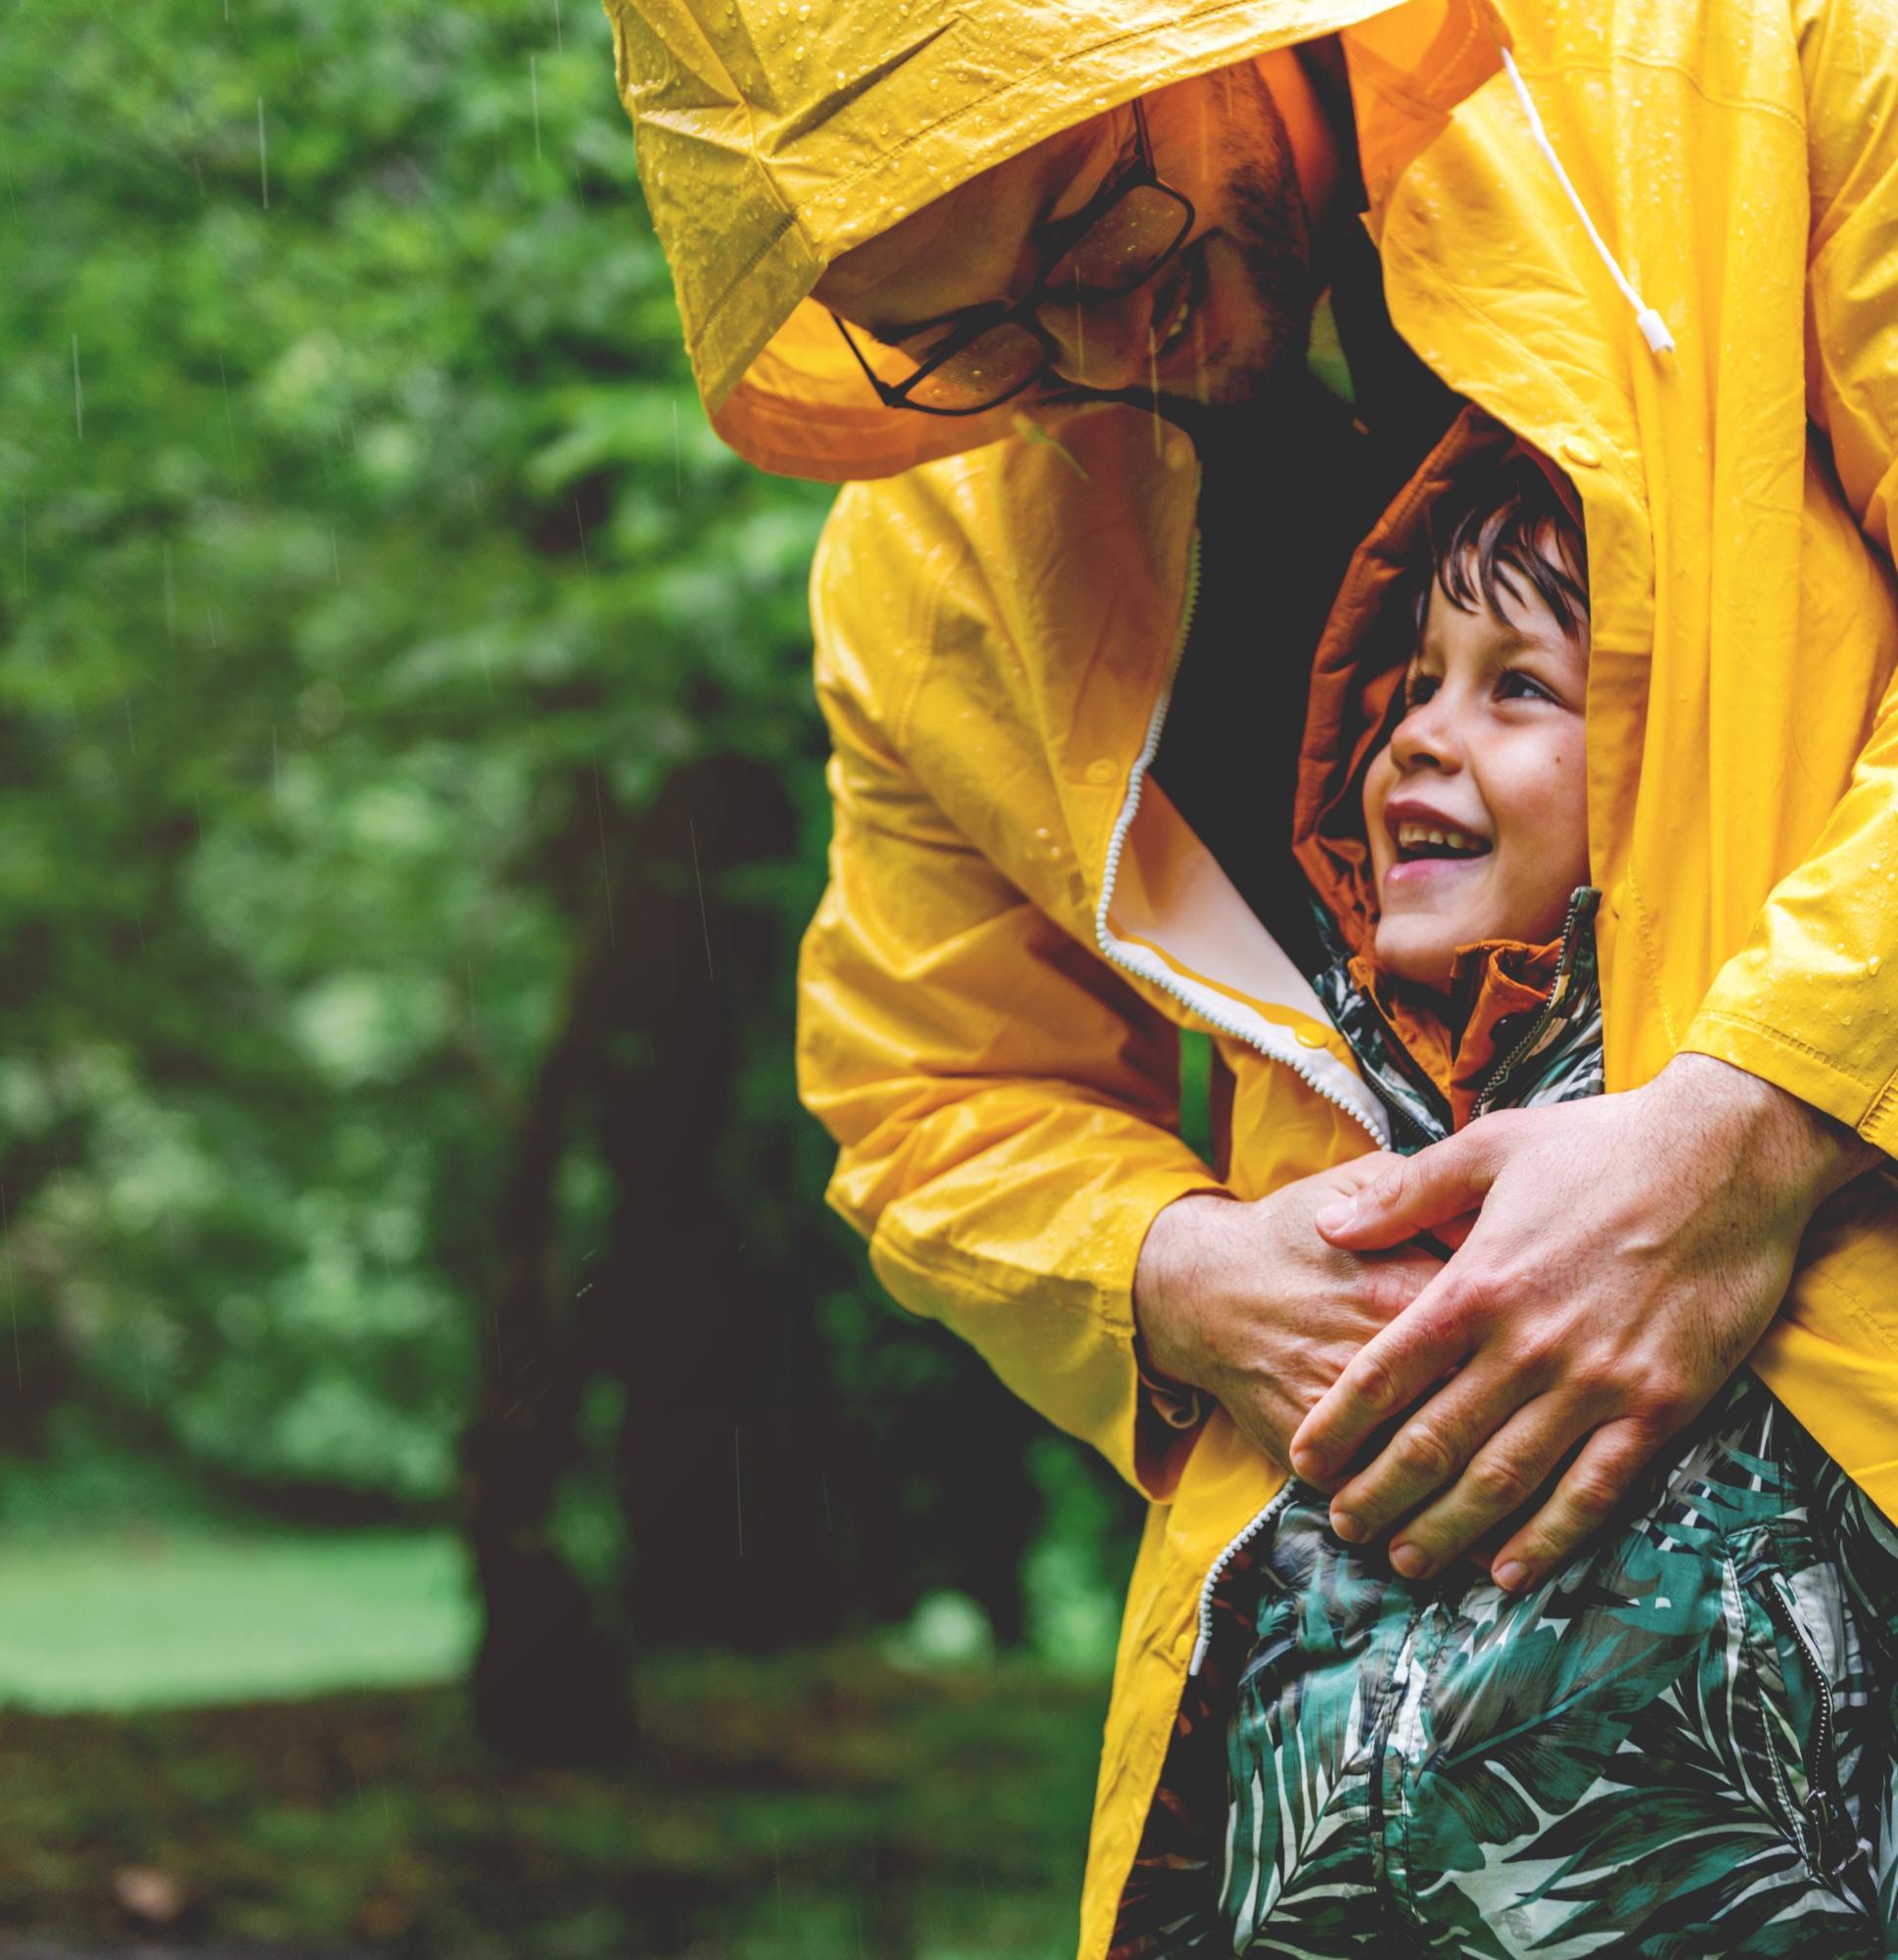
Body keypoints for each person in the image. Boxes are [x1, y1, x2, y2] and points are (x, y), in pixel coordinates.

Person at [604, 3, 1898, 1952]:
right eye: (950, 339)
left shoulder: (1755, 69)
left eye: (1088, 238)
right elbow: (928, 1096)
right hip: (1323, 1769)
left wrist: (1762, 1118)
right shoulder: (936, 563)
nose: (1084, 355)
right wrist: (1168, 1272)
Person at [1118, 423, 1896, 1952]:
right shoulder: (1316, 1119)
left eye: (1516, 686)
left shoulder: (1787, 1182)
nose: (1413, 733)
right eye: (1408, 684)